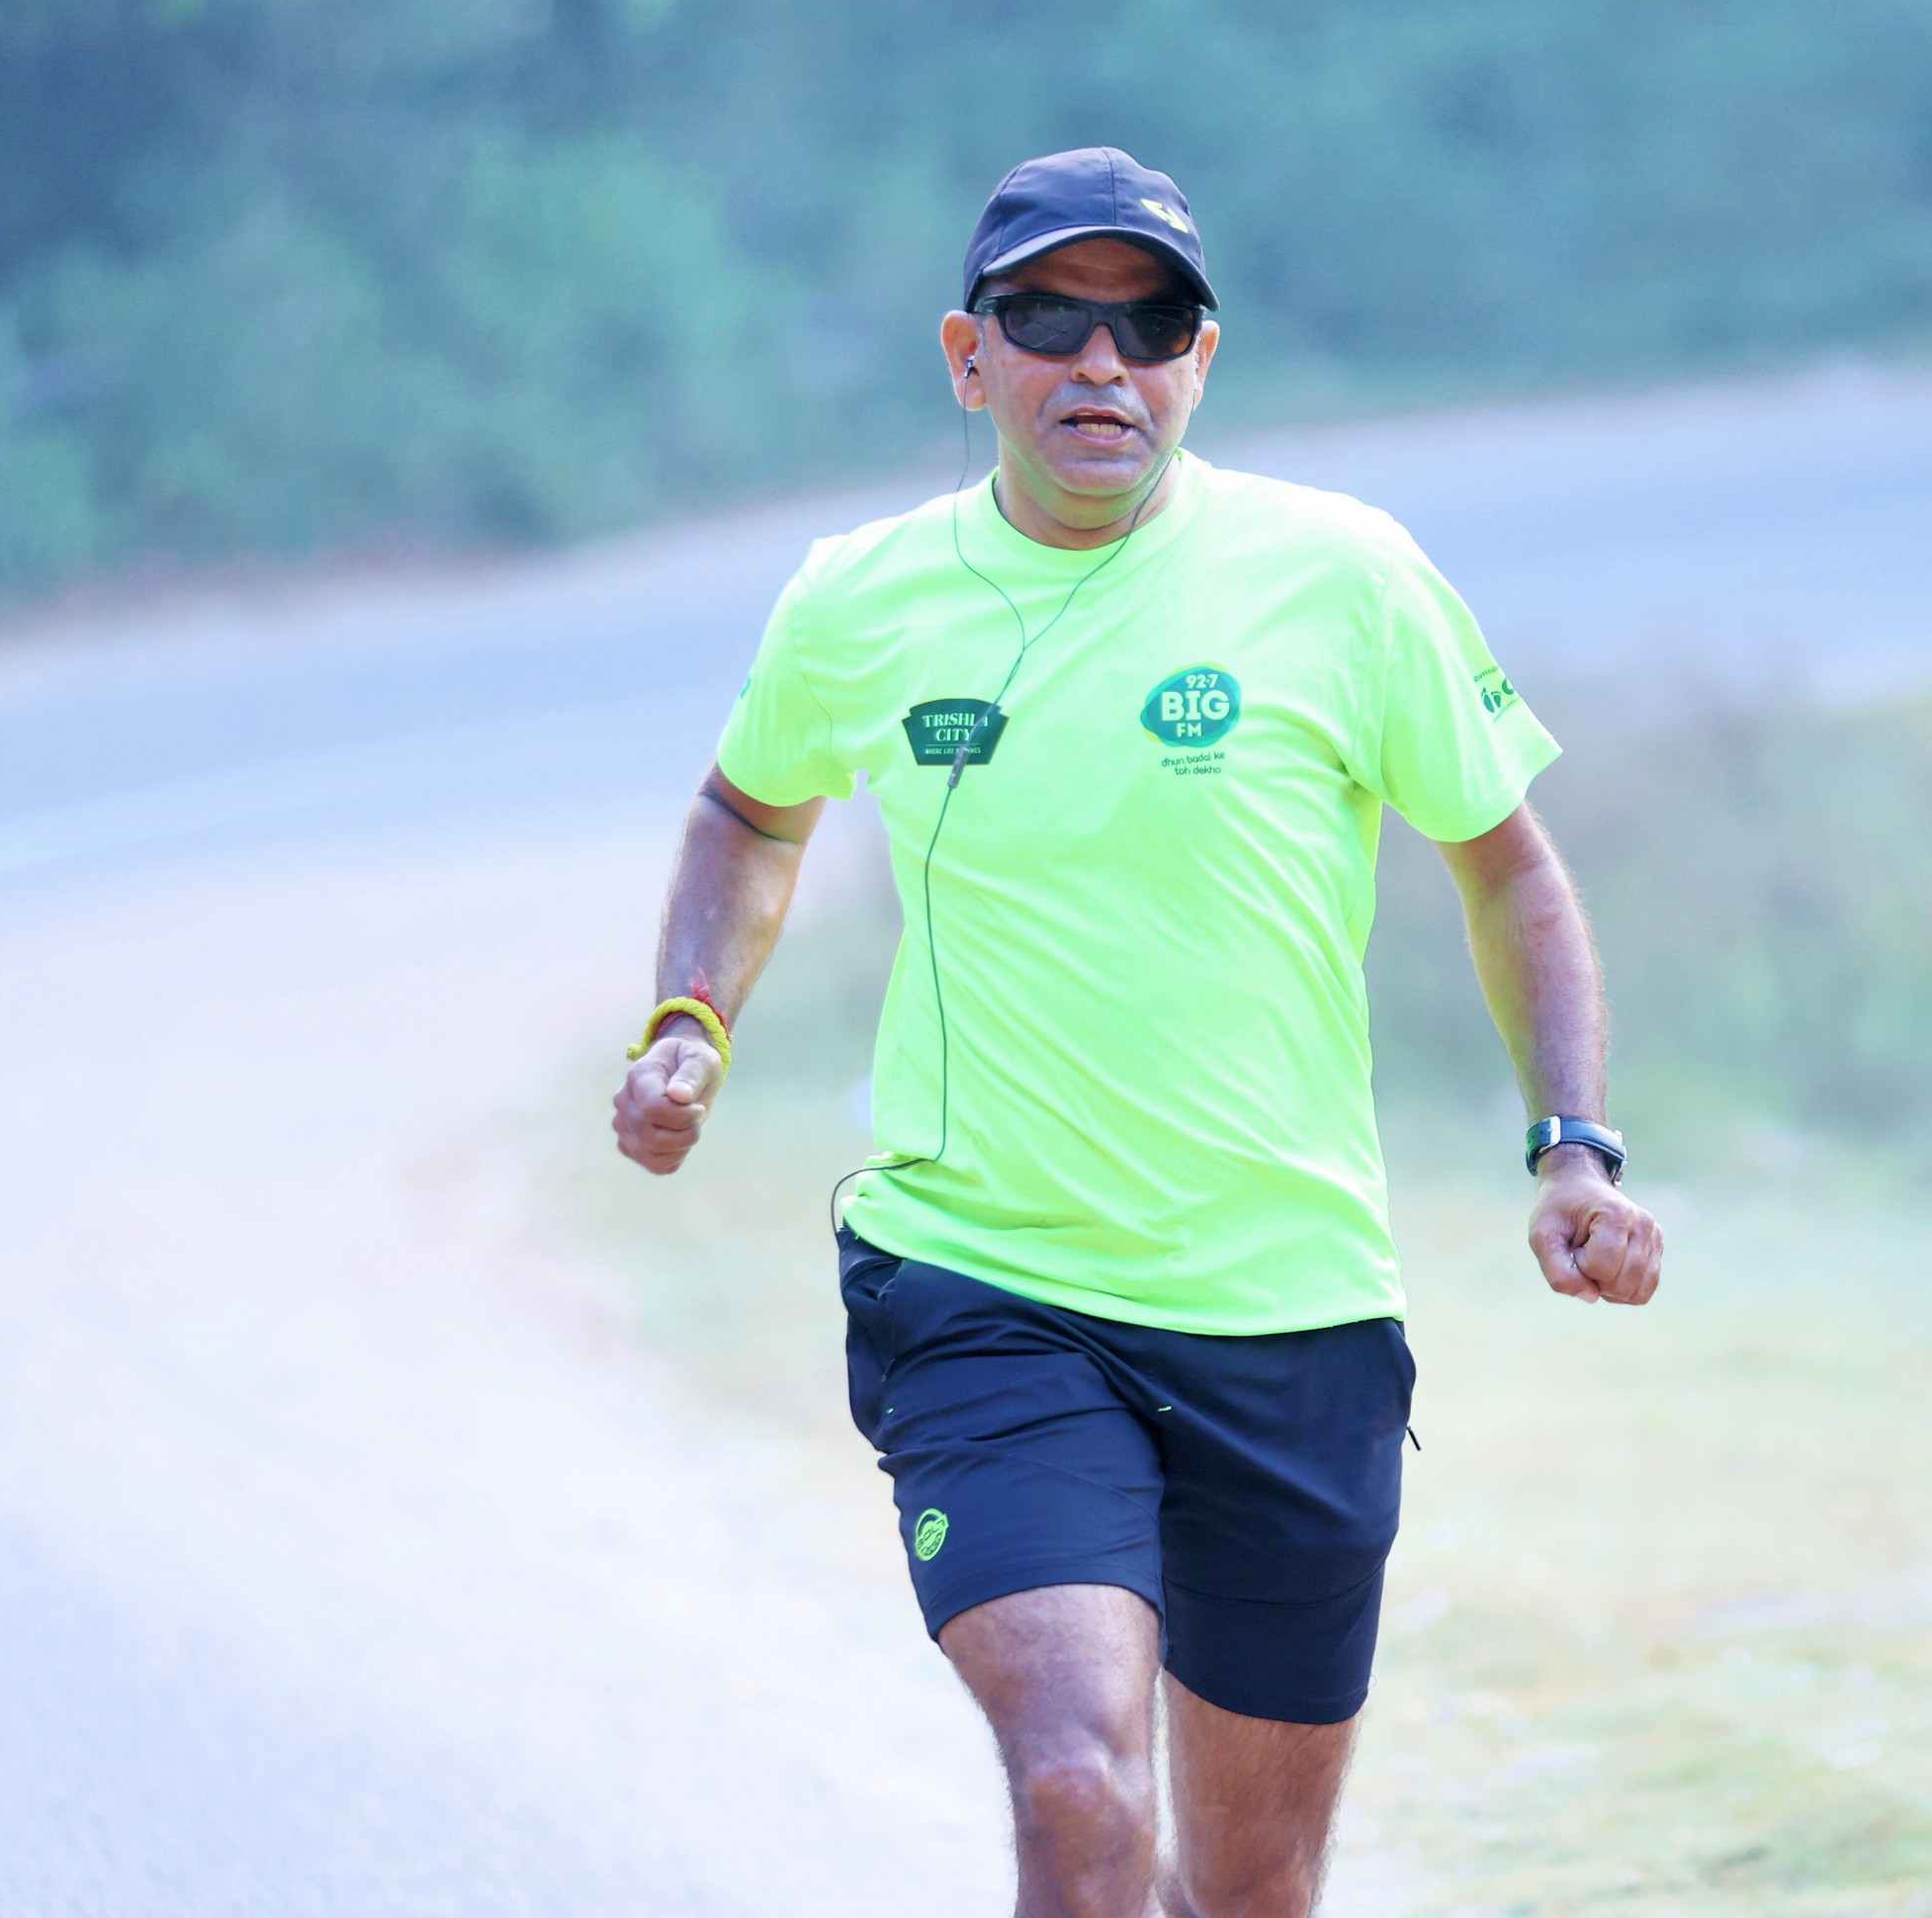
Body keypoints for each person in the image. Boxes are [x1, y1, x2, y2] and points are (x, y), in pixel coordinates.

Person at [612, 146, 1660, 1915]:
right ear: (970, 359)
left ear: (1202, 360)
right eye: (1049, 319)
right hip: (988, 1286)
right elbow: (747, 809)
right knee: (1081, 1791)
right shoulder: (862, 597)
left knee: (1248, 1894)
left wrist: (1574, 1147)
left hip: (1289, 1309)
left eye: (1151, 322)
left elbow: (1513, 874)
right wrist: (690, 1016)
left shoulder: (1344, 577)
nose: (1102, 363)